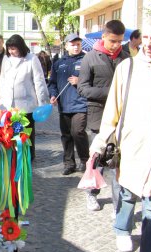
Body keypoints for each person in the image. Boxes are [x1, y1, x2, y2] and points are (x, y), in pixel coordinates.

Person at [89, 11, 151, 252]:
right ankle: (122, 228)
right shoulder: (127, 69)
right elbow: (112, 111)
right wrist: (98, 145)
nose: (148, 43)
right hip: (131, 149)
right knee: (128, 194)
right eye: (146, 37)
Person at [78, 20, 129, 212]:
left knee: (118, 163)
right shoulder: (90, 58)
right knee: (97, 159)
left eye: (120, 41)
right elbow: (82, 89)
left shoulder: (126, 58)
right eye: (113, 41)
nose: (117, 45)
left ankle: (120, 205)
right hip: (98, 117)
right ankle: (92, 194)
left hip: (123, 119)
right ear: (104, 37)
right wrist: (111, 92)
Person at [0, 34, 49, 161]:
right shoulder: (6, 59)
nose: (11, 51)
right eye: (9, 49)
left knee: (26, 133)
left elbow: (39, 81)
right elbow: (2, 79)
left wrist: (42, 103)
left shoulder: (31, 59)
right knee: (12, 131)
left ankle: (29, 156)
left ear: (20, 47)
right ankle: (13, 155)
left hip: (26, 105)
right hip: (8, 105)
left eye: (13, 49)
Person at [48, 33, 89, 175]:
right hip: (64, 105)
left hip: (80, 104)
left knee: (77, 131)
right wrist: (53, 95)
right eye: (72, 44)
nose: (76, 47)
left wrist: (80, 82)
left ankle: (85, 160)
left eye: (78, 44)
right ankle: (69, 163)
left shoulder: (87, 60)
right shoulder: (58, 63)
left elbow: (92, 81)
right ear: (66, 46)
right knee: (66, 135)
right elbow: (52, 83)